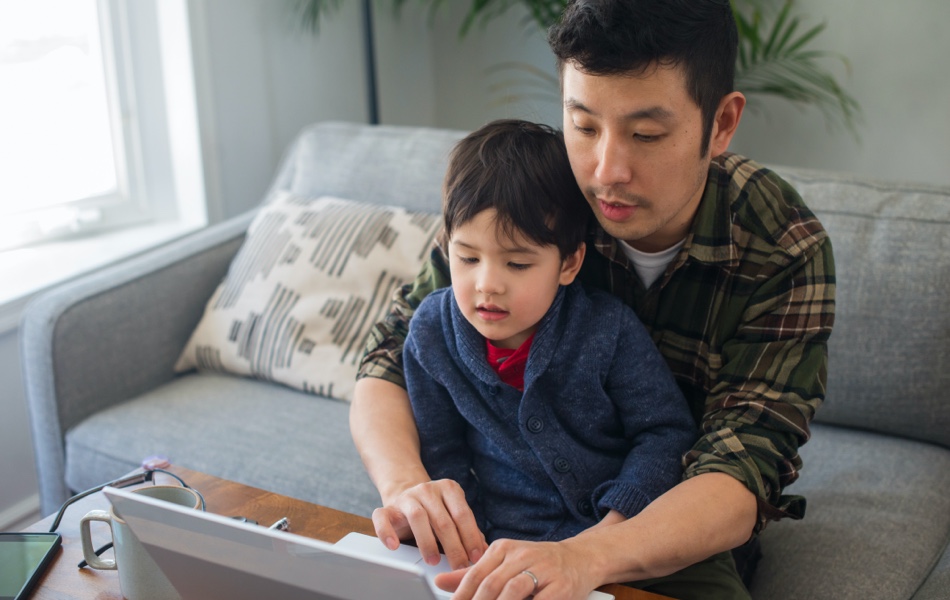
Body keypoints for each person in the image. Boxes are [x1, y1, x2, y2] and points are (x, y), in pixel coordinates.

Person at [351, 1, 836, 598]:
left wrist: (586, 556)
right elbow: (387, 357)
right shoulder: (536, 196)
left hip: (668, 527)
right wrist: (407, 486)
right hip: (504, 521)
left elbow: (742, 469)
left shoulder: (781, 246)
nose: (606, 171)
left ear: (722, 123)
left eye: (646, 134)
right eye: (583, 125)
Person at [402, 118, 727, 596]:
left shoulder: (606, 329)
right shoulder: (431, 332)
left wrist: (612, 529)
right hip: (501, 545)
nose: (487, 283)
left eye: (517, 263)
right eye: (467, 258)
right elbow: (441, 454)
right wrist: (467, 541)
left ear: (569, 263)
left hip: (621, 536)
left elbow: (664, 433)